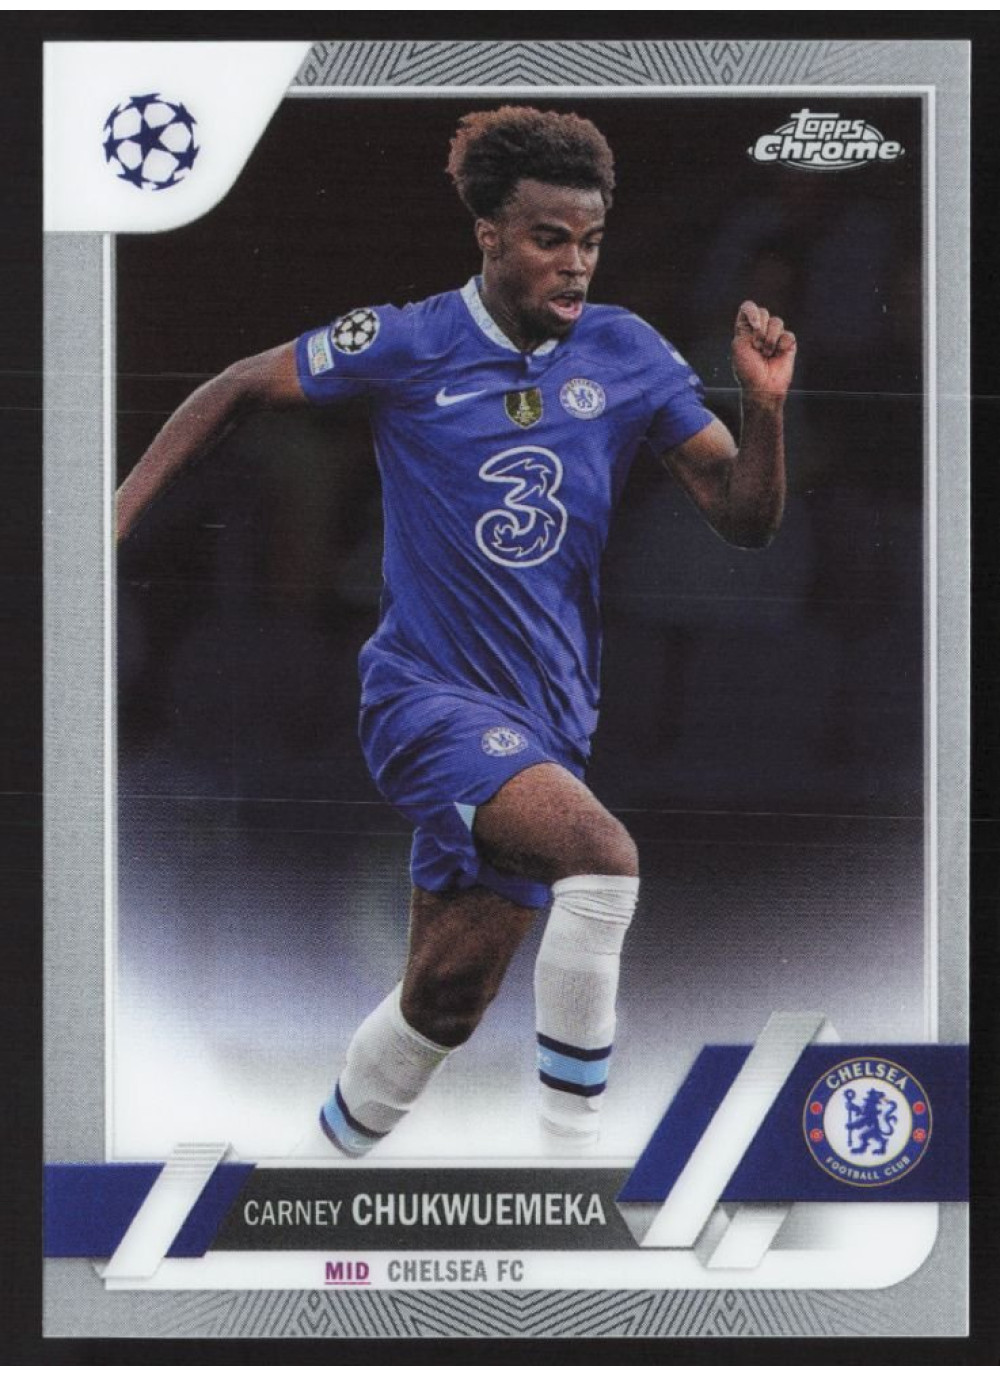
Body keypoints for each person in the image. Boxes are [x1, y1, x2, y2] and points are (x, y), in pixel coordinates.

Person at [117, 106, 796, 1156]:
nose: (575, 264)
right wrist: (111, 520)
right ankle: (573, 1169)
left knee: (443, 1001)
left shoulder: (624, 351)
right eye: (549, 239)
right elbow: (237, 386)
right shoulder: (409, 340)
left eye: (590, 241)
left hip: (549, 723)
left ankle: (311, 1172)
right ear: (490, 235)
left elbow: (745, 519)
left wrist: (765, 409)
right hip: (425, 700)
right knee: (603, 863)